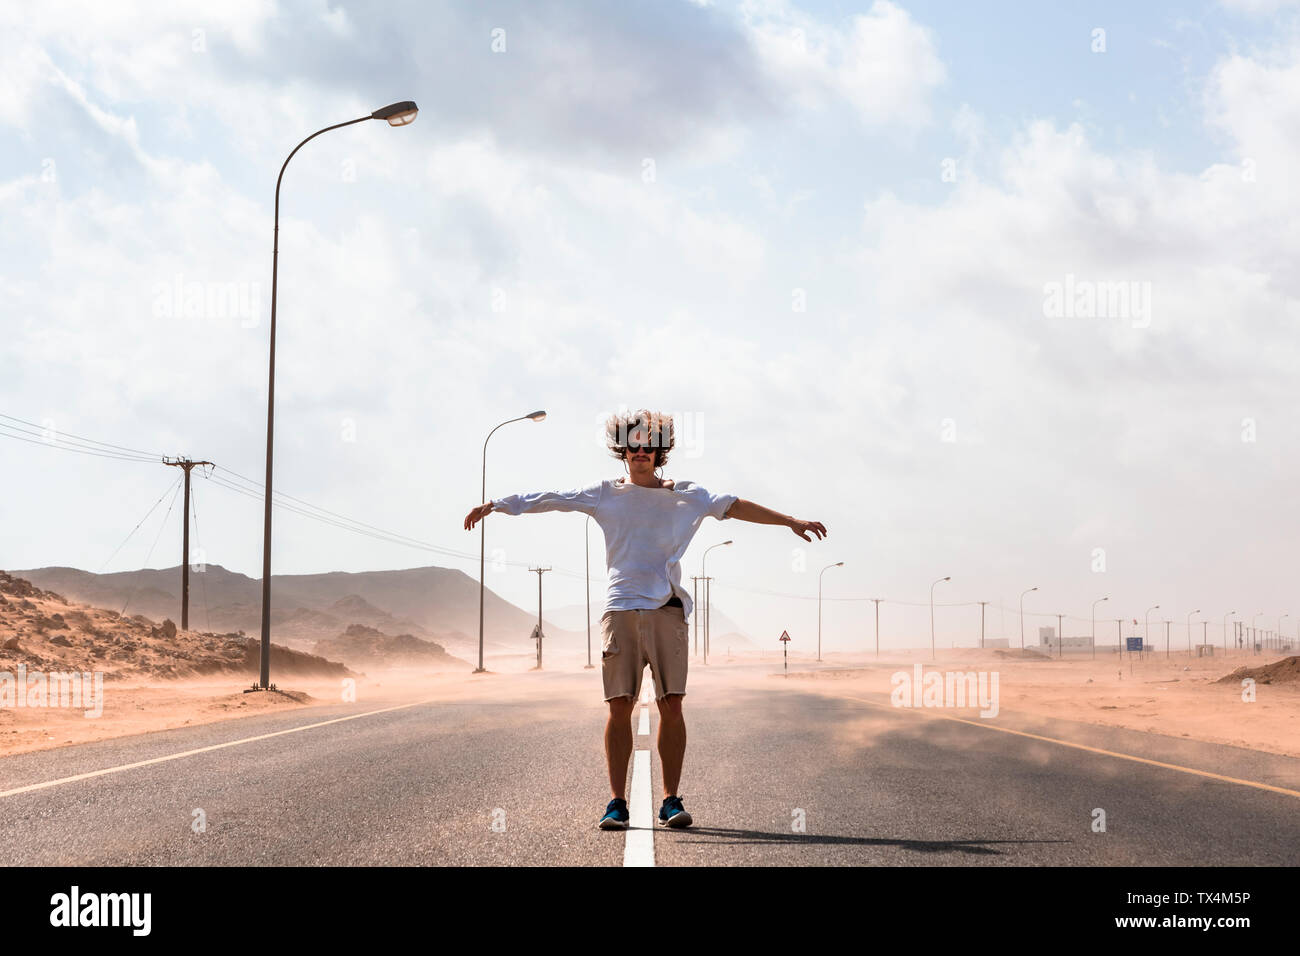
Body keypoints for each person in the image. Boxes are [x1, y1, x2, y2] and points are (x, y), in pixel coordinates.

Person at [463, 409, 827, 830]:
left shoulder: (689, 494)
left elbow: (736, 505)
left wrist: (790, 522)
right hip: (620, 610)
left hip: (667, 611)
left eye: (648, 446)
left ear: (660, 451)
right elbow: (550, 498)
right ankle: (616, 803)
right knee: (620, 707)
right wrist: (497, 505)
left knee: (672, 705)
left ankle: (671, 800)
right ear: (623, 449)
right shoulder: (604, 493)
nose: (640, 452)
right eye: (632, 445)